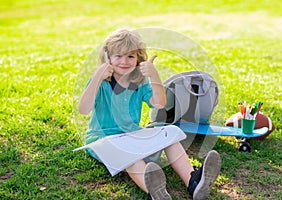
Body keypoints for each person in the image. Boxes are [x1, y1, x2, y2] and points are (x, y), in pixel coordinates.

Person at [78, 28, 221, 200]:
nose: (124, 61)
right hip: (103, 139)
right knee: (130, 157)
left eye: (130, 56)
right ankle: (156, 193)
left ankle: (193, 182)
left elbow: (159, 103)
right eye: (118, 56)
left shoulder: (139, 82)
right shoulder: (101, 82)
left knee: (171, 133)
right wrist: (97, 76)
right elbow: (84, 109)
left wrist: (154, 76)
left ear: (138, 59)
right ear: (108, 58)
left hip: (132, 134)